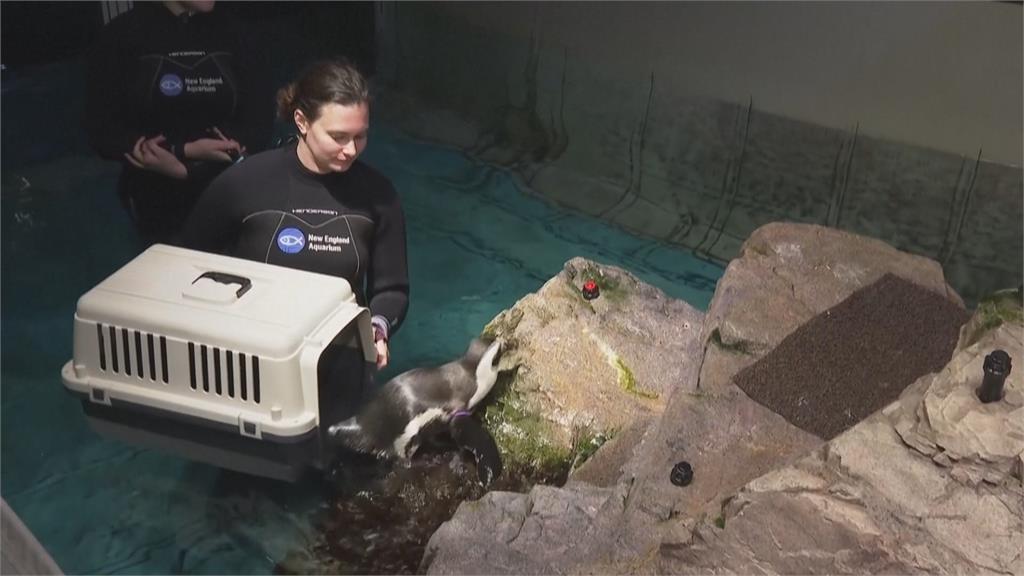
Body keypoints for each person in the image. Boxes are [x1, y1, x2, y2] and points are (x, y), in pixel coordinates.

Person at [180, 59, 409, 370]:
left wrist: (378, 327)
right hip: (252, 356)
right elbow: (184, 261)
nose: (352, 150)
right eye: (338, 137)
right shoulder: (244, 182)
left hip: (338, 357)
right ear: (301, 121)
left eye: (360, 136)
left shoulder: (379, 196)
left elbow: (391, 288)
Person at [85, 0, 267, 245]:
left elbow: (260, 122)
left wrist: (195, 164)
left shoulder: (236, 32)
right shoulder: (122, 35)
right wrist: (179, 151)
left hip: (228, 190)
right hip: (156, 198)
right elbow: (102, 130)